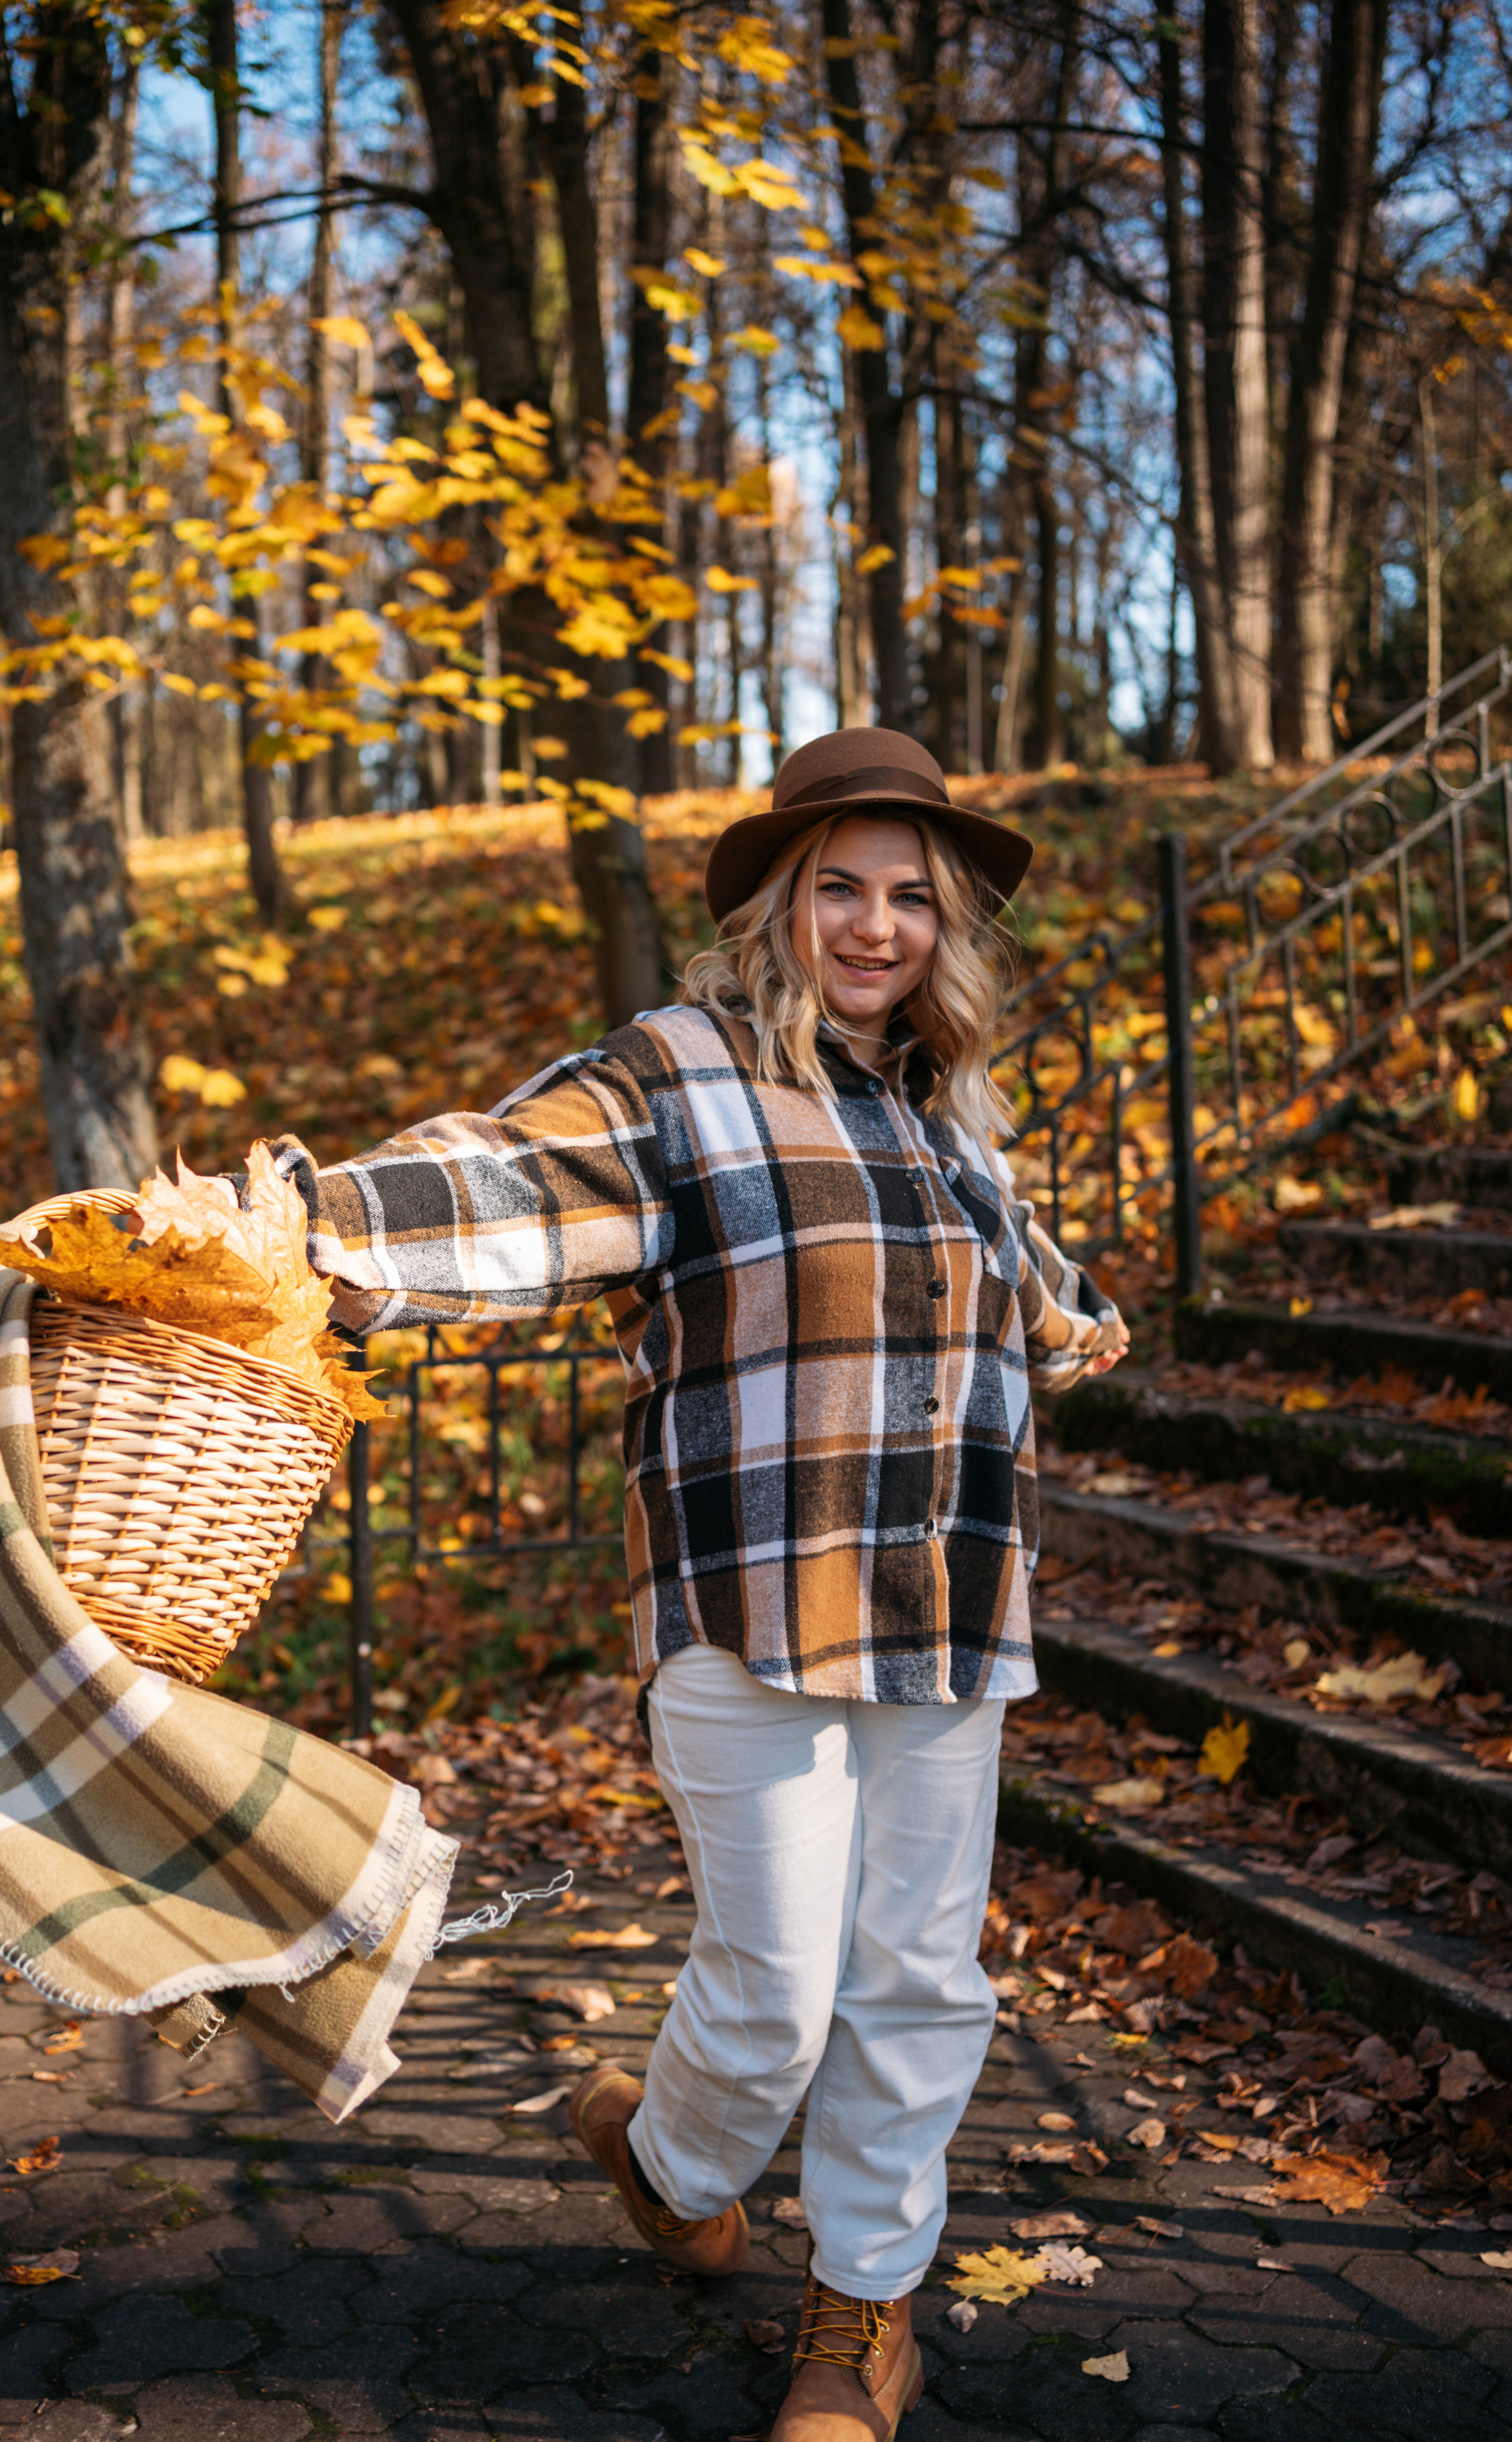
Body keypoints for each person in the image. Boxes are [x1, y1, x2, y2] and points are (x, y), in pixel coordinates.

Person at [273, 727, 1129, 2442]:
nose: (876, 926)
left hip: (950, 1612)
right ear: (777, 905)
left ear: (942, 925)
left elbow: (1026, 1272)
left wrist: (1060, 1314)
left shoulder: (954, 1113)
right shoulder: (680, 1072)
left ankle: (861, 2311)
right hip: (747, 1605)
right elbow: (512, 1177)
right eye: (842, 888)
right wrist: (307, 1228)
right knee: (773, 1992)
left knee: (920, 1981)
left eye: (909, 896)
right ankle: (667, 2164)